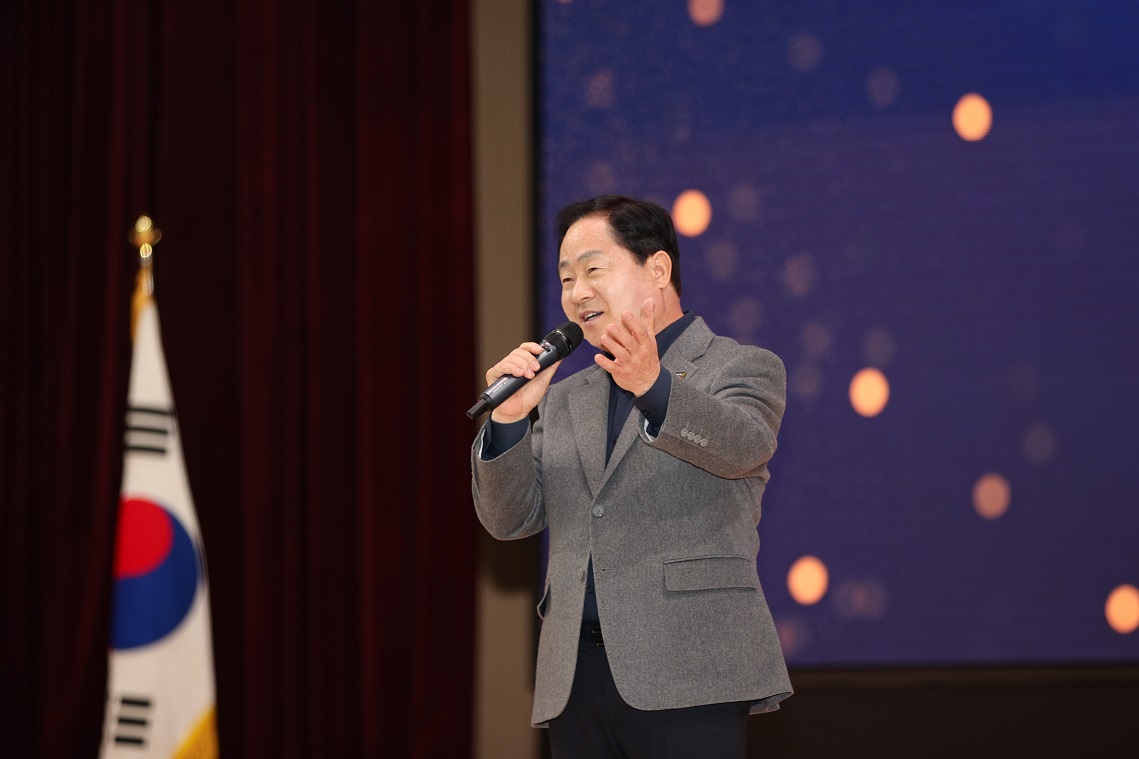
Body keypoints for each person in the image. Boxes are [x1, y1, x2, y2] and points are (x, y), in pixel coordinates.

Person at [471, 195, 791, 758]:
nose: (577, 293)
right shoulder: (566, 397)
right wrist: (510, 421)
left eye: (594, 269)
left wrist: (653, 384)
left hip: (690, 670)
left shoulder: (739, 365)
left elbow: (743, 446)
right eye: (566, 279)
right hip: (575, 680)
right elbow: (509, 518)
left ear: (658, 269)